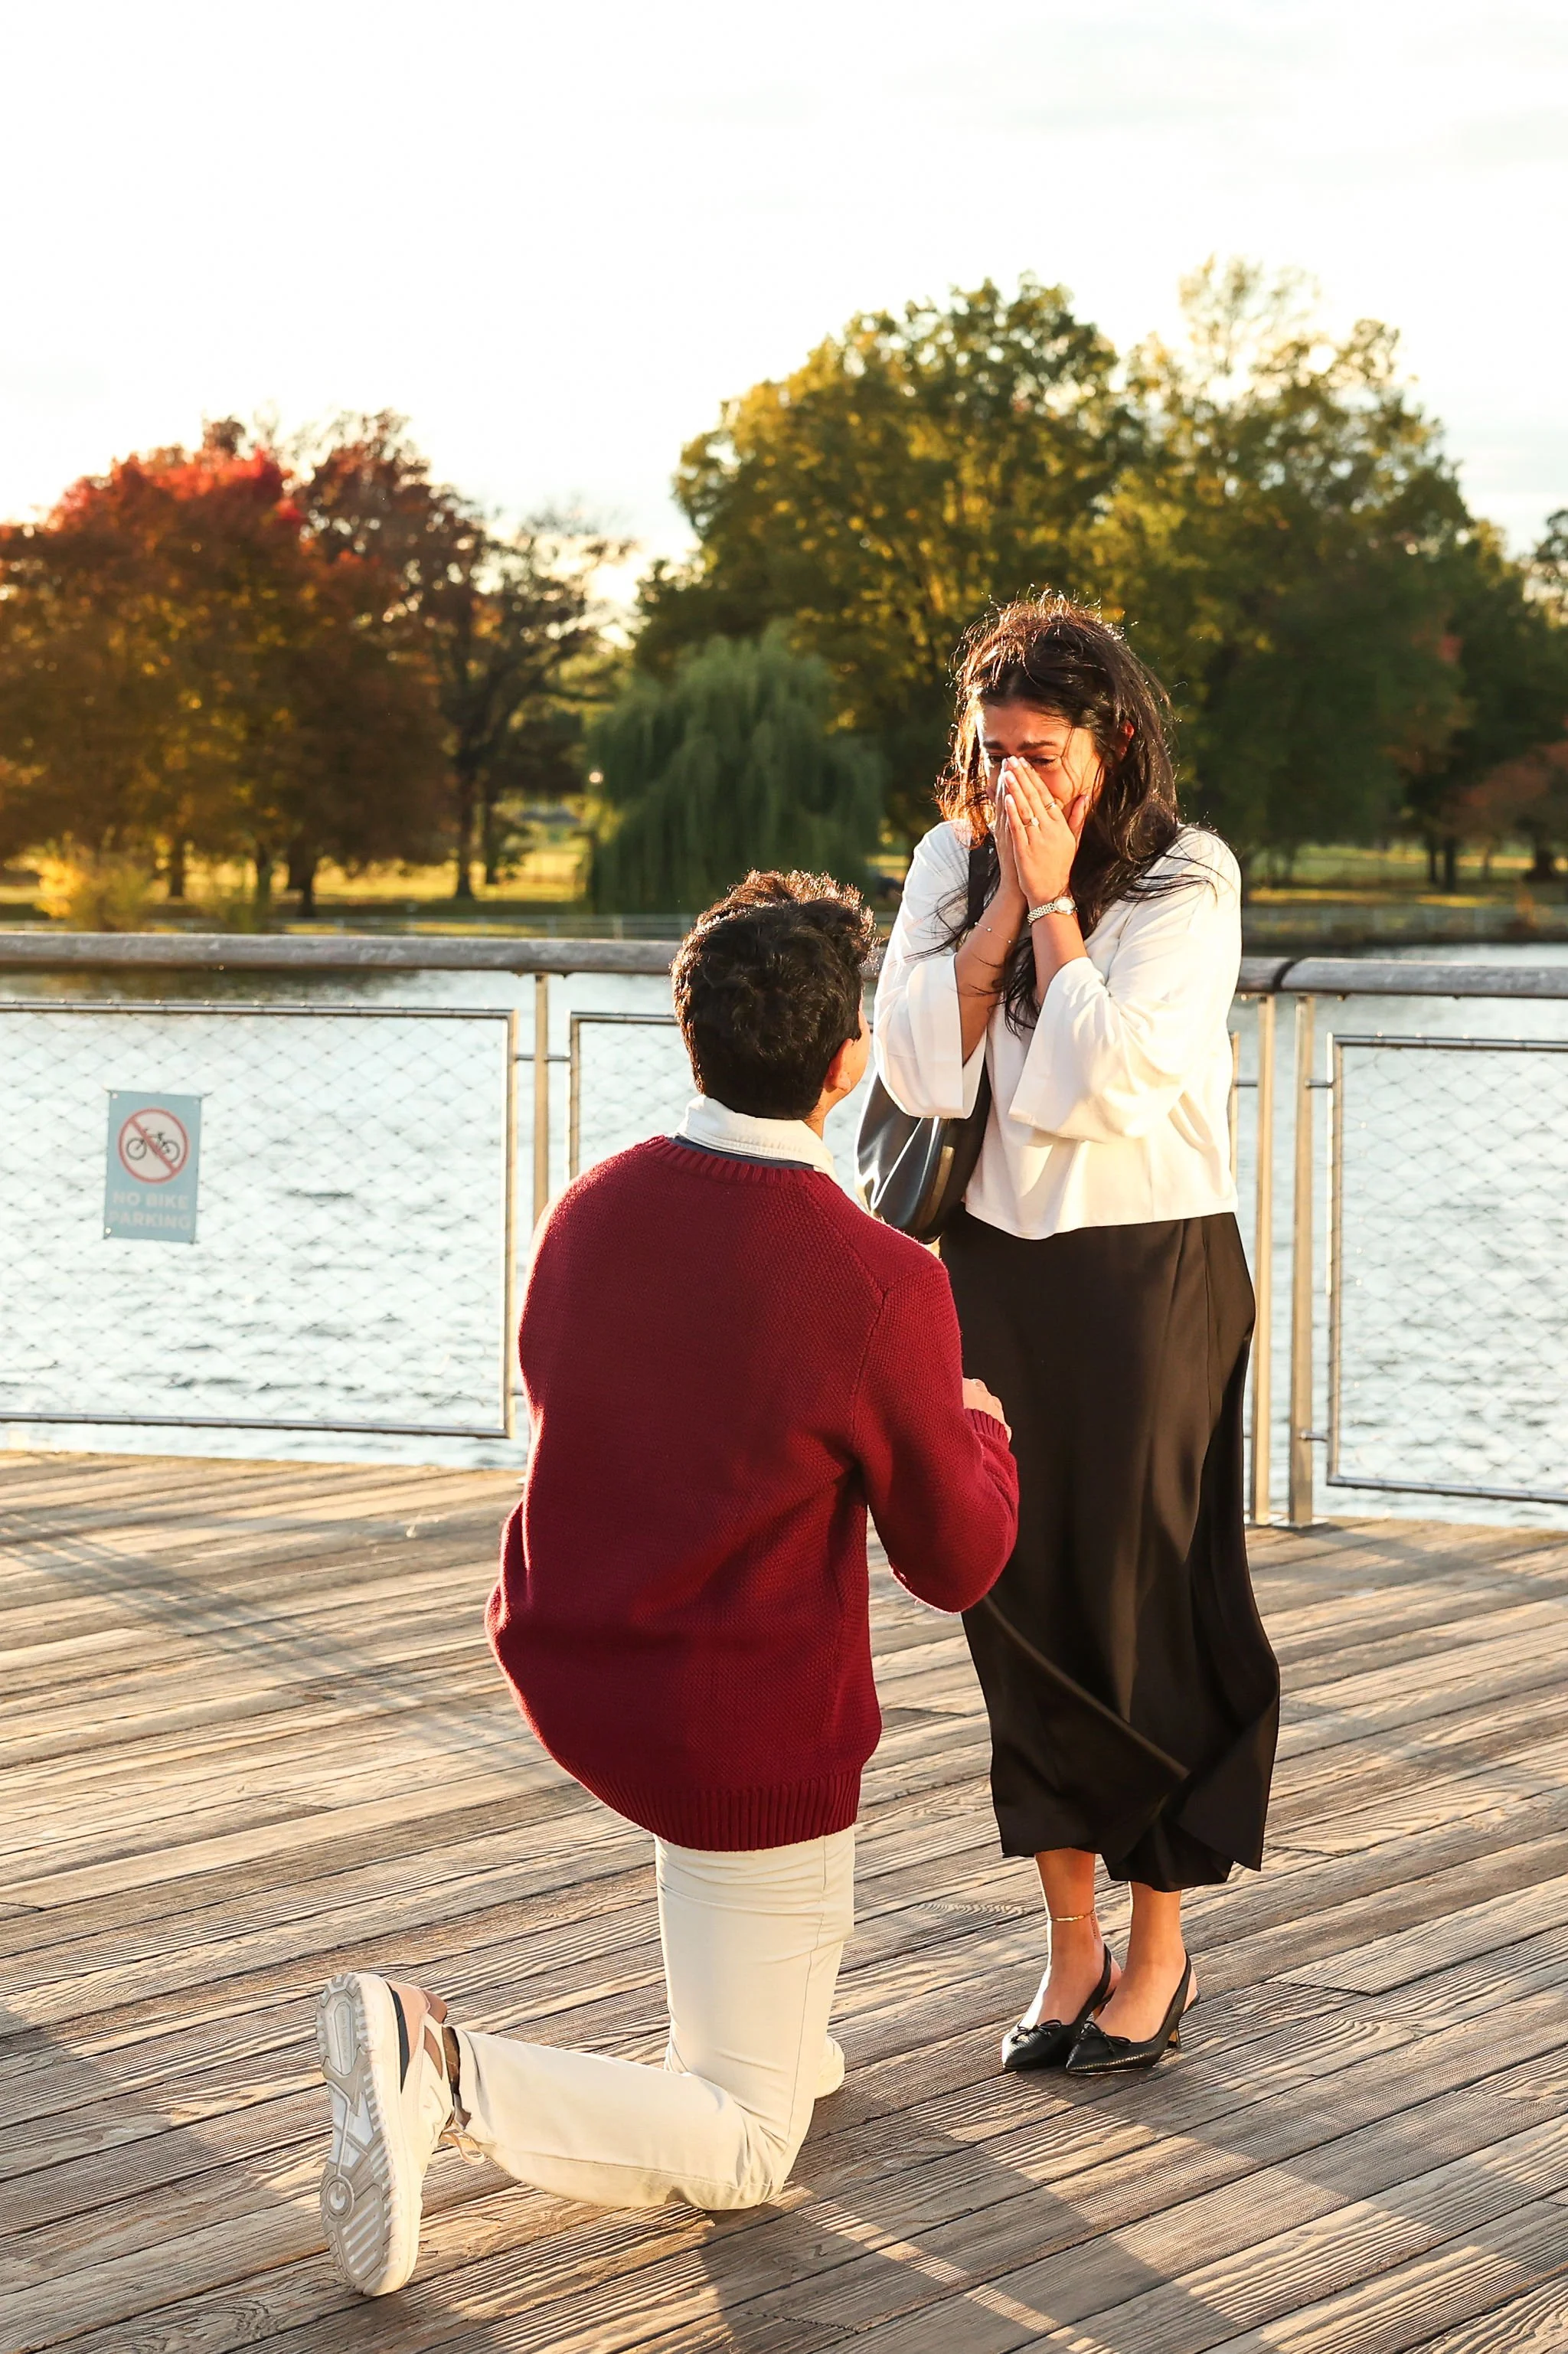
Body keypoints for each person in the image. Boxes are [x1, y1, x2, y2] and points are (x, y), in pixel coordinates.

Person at [315, 868, 1019, 2297]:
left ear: (688, 1033)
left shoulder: (589, 1209)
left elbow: (567, 1393)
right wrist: (983, 1432)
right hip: (732, 1736)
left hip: (586, 1662)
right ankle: (443, 2067)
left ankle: (784, 2028)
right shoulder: (882, 1281)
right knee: (752, 2141)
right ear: (849, 1064)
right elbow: (957, 1563)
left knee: (788, 2034)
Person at [874, 595, 1280, 2080]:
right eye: (989, 756)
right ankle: (1067, 1942)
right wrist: (995, 902)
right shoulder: (948, 860)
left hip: (1147, 1276)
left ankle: (1159, 1943)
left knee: (1140, 1601)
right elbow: (920, 1070)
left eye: (1038, 755)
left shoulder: (1184, 878)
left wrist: (1049, 914)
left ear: (1110, 743)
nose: (1011, 787)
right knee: (1017, 1598)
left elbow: (1102, 1087)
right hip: (991, 1271)